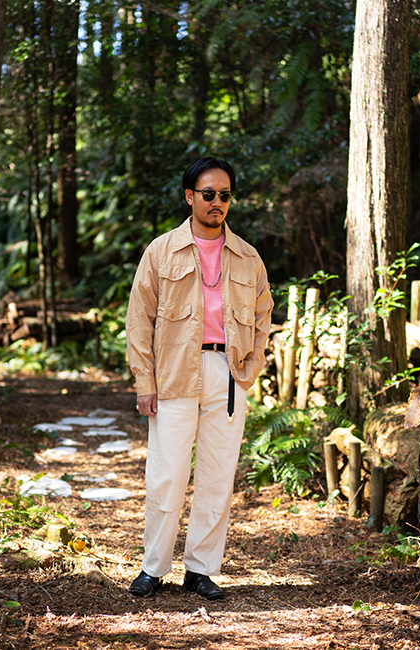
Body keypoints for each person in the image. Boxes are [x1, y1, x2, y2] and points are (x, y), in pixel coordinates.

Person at [125, 156, 273, 600]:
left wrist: (250, 367)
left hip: (227, 374)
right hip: (173, 373)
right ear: (189, 197)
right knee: (167, 474)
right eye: (208, 194)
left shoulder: (247, 257)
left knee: (217, 476)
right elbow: (139, 320)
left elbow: (263, 315)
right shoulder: (161, 251)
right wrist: (144, 381)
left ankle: (201, 569)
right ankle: (153, 568)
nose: (217, 202)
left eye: (224, 195)